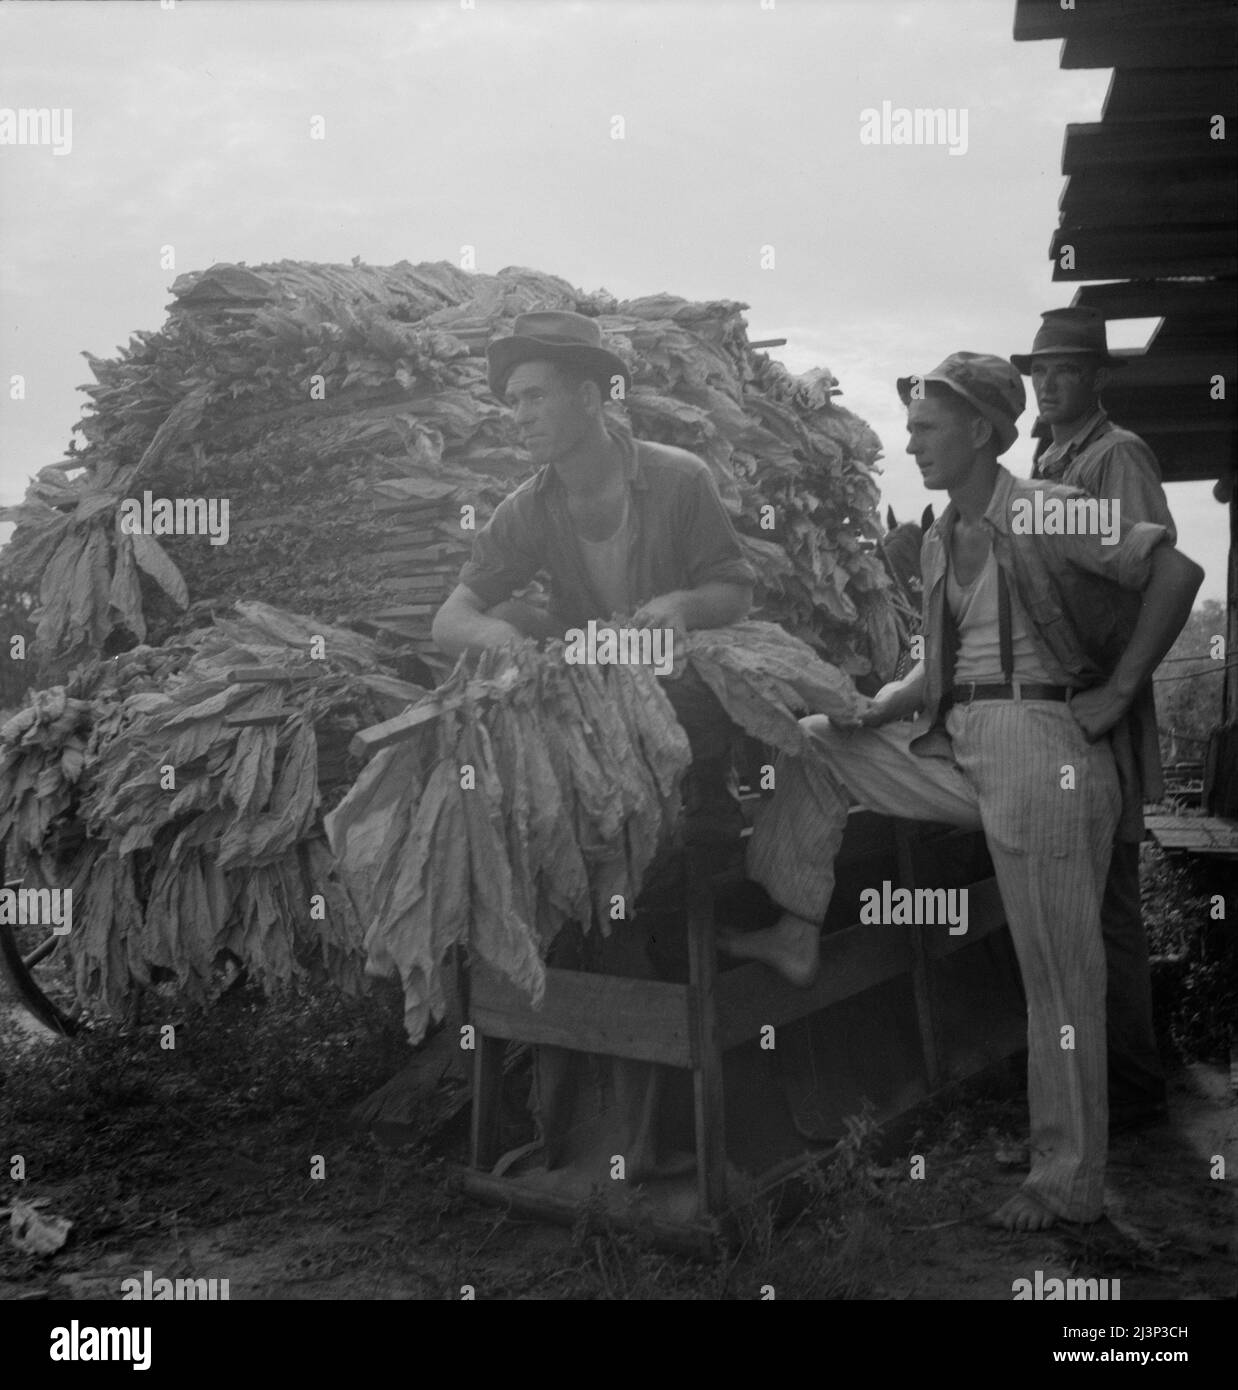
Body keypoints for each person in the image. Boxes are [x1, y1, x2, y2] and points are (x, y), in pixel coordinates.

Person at [723, 352, 1203, 1230]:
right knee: (817, 745)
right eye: (908, 429)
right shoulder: (945, 534)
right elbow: (941, 664)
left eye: (926, 427)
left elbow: (1176, 573)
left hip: (1045, 745)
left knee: (1059, 979)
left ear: (982, 429)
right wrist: (878, 704)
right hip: (960, 736)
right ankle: (798, 926)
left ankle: (1068, 1182)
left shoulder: (1053, 509)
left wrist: (1123, 688)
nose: (911, 444)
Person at [432, 310, 756, 1178]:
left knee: (639, 863)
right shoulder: (524, 508)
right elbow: (451, 617)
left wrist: (681, 608)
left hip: (680, 717)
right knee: (514, 626)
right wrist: (506, 643)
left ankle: (641, 1121)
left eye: (534, 396)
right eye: (509, 401)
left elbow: (735, 588)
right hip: (592, 720)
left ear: (589, 394)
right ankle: (577, 1102)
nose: (519, 414)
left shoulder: (678, 480)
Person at [1015, 306, 1175, 1132]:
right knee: (1082, 898)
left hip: (1100, 704)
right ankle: (1108, 1083)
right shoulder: (1050, 457)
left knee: (1107, 903)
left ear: (1098, 379)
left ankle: (1133, 1090)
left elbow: (1157, 578)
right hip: (1066, 706)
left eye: (1065, 370)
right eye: (1038, 371)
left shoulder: (1118, 457)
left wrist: (1118, 688)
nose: (1047, 383)